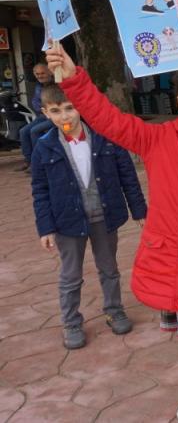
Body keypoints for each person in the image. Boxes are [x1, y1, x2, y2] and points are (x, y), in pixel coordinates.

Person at [45, 46, 178, 423]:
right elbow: (105, 118)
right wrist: (74, 78)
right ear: (177, 100)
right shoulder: (155, 138)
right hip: (177, 256)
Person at [31, 83, 146, 349]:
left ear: (80, 107)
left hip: (104, 217)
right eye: (56, 111)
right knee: (70, 275)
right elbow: (40, 190)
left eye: (70, 108)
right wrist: (45, 228)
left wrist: (139, 210)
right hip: (67, 223)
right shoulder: (43, 148)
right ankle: (71, 321)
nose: (65, 116)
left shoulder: (105, 137)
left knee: (109, 268)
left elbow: (127, 175)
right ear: (46, 113)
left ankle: (114, 310)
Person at [17, 63, 54, 172]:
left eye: (42, 73)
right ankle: (29, 161)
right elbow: (35, 102)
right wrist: (42, 107)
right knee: (23, 131)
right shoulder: (38, 85)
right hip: (43, 115)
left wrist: (46, 107)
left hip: (55, 117)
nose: (39, 76)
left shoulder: (57, 84)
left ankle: (39, 162)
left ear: (50, 72)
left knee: (34, 131)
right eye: (37, 74)